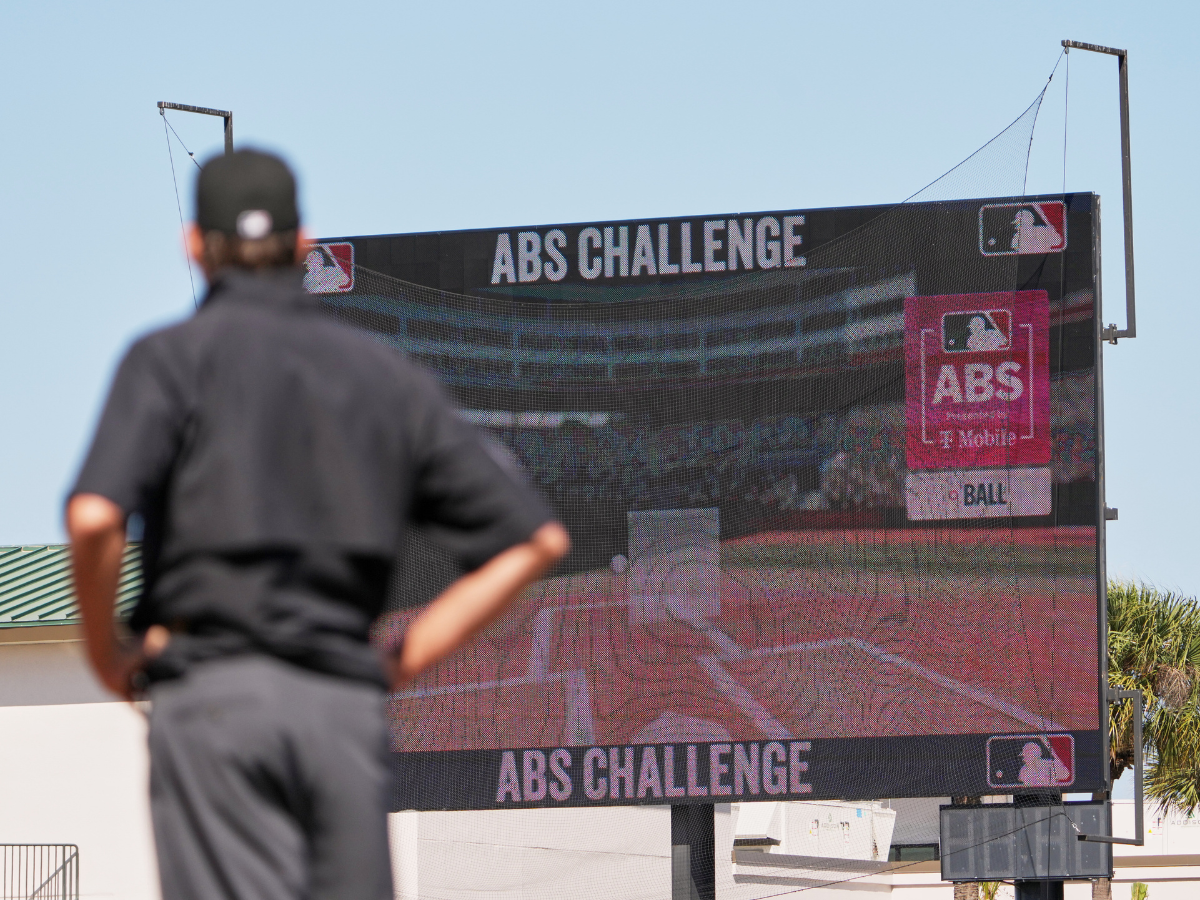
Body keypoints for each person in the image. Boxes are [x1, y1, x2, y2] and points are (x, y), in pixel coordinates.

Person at [66, 149, 569, 900]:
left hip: (213, 699)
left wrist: (107, 654)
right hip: (341, 703)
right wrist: (403, 655)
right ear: (304, 246)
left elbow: (95, 515)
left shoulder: (167, 360)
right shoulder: (381, 374)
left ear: (194, 246)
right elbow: (537, 539)